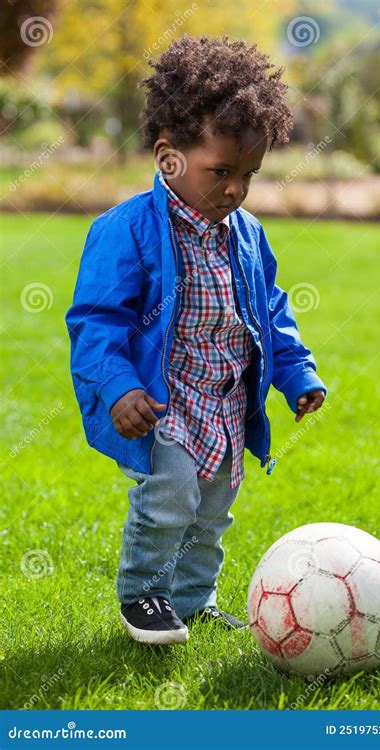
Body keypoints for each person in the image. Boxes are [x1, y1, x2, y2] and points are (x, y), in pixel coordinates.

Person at [65, 34, 327, 645]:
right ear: (169, 157)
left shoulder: (246, 234)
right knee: (171, 497)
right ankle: (145, 596)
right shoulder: (128, 230)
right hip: (166, 402)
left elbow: (270, 313)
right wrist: (118, 387)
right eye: (222, 171)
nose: (236, 188)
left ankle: (192, 599)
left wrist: (298, 374)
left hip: (226, 404)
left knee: (212, 512)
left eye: (249, 175)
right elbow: (96, 321)